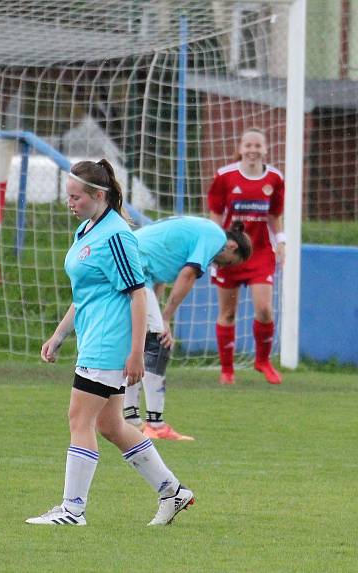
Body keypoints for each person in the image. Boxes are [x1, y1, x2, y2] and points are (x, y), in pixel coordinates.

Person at [26, 160, 194, 528]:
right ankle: (172, 491)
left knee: (78, 418)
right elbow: (85, 293)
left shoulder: (116, 235)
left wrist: (136, 353)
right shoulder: (86, 229)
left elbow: (137, 294)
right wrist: (59, 335)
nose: (69, 203)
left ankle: (73, 510)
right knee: (111, 425)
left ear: (97, 195)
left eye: (75, 197)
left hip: (108, 344)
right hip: (93, 339)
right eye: (67, 196)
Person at [124, 216, 253, 440]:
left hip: (130, 262)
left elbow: (158, 275)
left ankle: (131, 420)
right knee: (159, 341)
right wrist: (165, 319)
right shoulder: (215, 237)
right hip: (131, 264)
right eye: (230, 262)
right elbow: (188, 274)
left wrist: (157, 315)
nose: (223, 266)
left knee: (143, 341)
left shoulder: (202, 232)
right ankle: (155, 424)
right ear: (232, 246)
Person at [208, 127, 285, 385]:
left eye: (257, 145)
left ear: (265, 149)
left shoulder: (274, 178)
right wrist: (215, 247)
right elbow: (216, 216)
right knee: (227, 313)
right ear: (240, 148)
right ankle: (227, 371)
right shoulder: (225, 176)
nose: (252, 150)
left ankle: (263, 361)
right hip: (230, 253)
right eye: (248, 145)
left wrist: (281, 242)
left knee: (264, 309)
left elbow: (274, 216)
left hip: (261, 252)